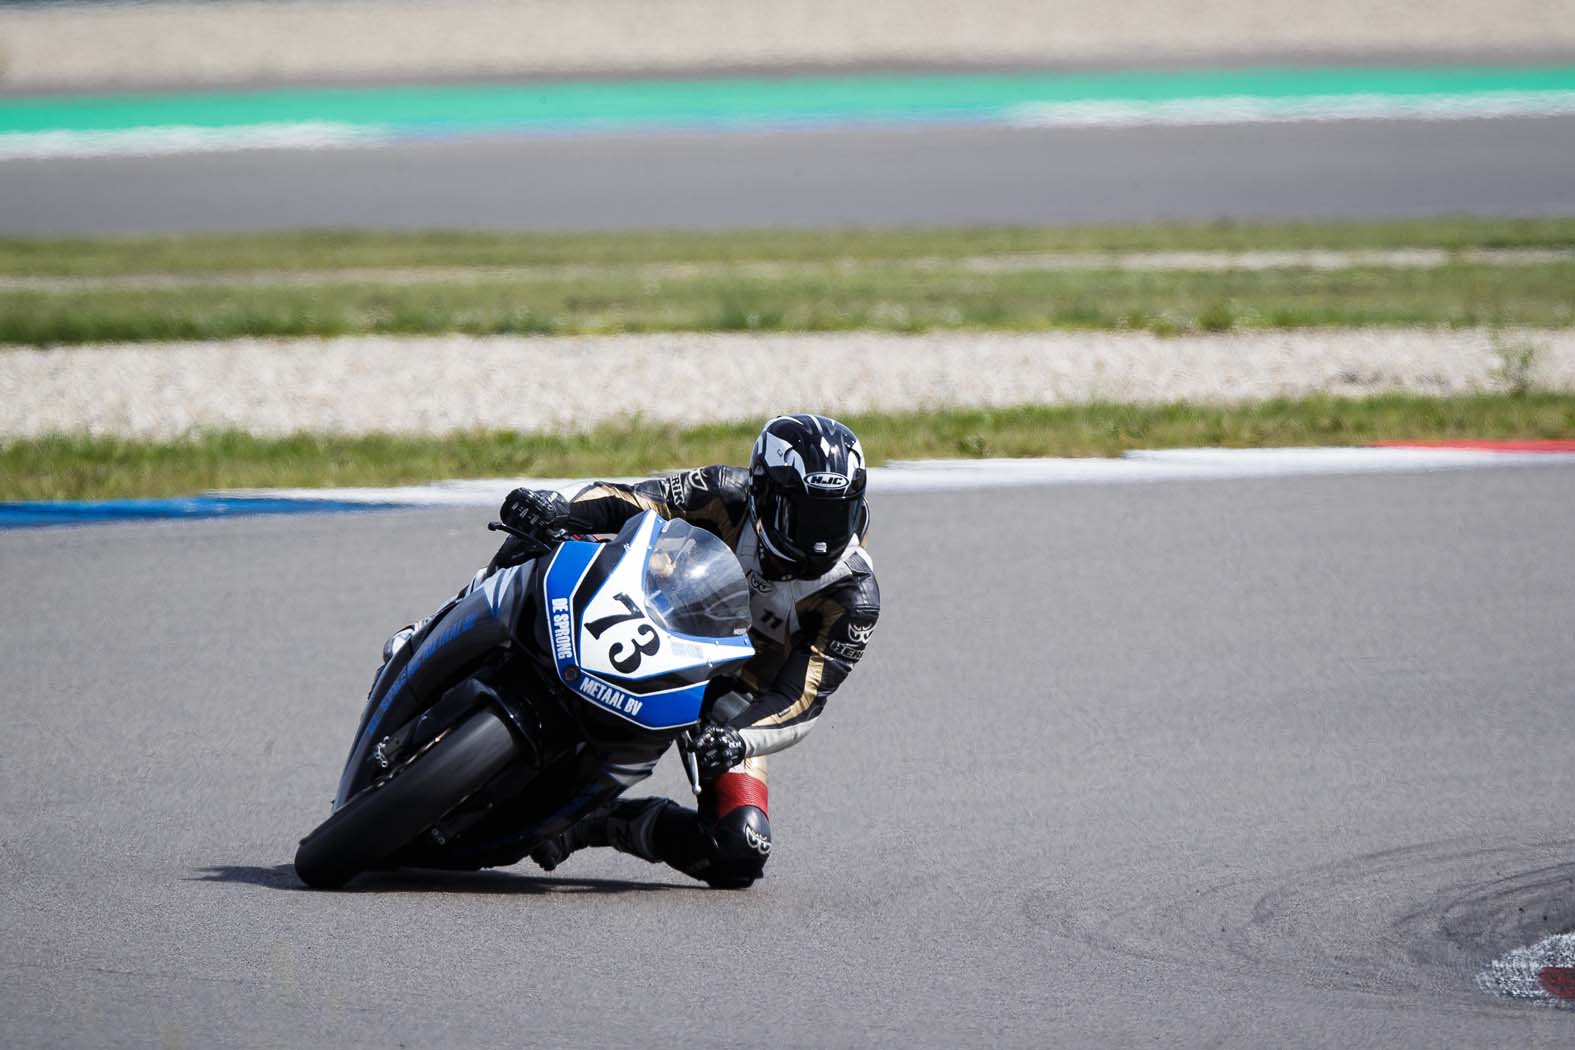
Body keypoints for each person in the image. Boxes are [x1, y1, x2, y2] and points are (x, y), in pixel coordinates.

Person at [496, 413, 881, 888]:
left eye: (834, 514)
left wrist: (738, 737)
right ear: (766, 496)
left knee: (740, 848)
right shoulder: (726, 493)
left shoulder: (852, 596)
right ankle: (448, 624)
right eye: (803, 516)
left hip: (730, 697)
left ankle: (595, 823)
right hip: (649, 615)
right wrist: (558, 508)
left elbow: (802, 698)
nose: (819, 536)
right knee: (538, 536)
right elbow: (632, 499)